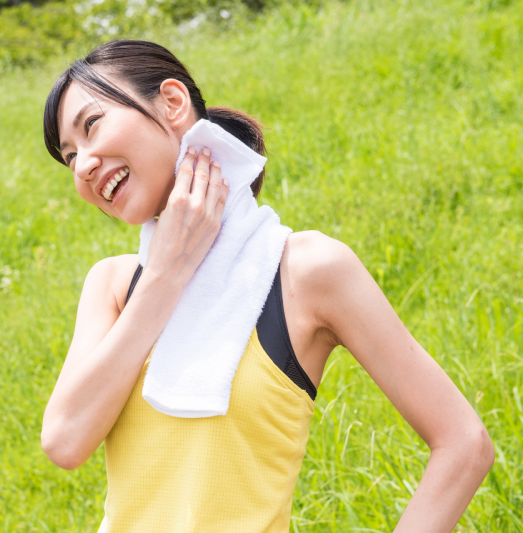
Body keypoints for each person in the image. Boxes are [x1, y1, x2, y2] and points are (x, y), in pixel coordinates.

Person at [39, 39, 494, 532]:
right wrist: (167, 273)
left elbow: (464, 444)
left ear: (172, 102)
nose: (82, 165)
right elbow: (65, 441)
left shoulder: (306, 271)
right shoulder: (112, 285)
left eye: (92, 125)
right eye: (69, 156)